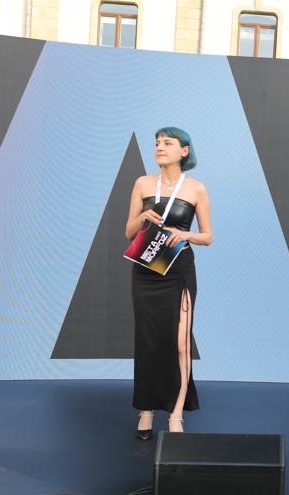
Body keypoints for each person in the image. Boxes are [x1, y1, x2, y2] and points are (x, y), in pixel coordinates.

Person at [125, 127, 212, 439]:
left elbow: (208, 236)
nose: (160, 147)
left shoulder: (196, 188)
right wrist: (143, 218)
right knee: (148, 341)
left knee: (180, 343)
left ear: (184, 151)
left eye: (167, 143)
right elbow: (128, 232)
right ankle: (146, 409)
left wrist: (185, 234)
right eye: (157, 143)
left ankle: (176, 414)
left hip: (178, 270)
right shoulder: (143, 184)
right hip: (147, 269)